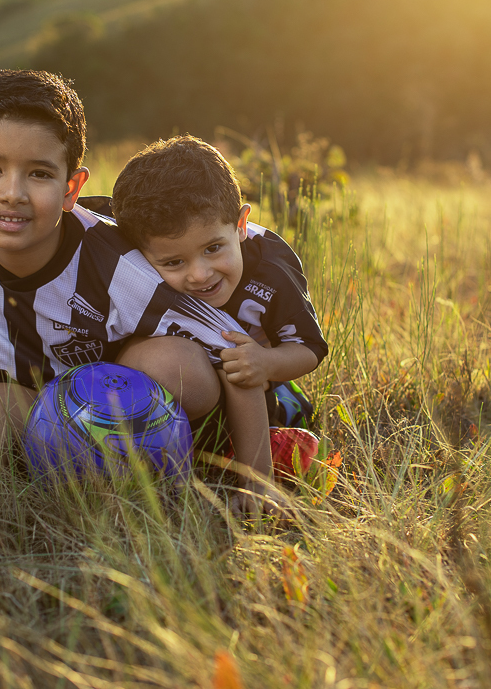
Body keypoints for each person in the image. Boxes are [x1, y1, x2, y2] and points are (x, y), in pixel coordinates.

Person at [0, 71, 266, 510]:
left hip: (124, 396)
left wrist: (256, 479)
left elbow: (236, 355)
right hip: (29, 395)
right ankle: (51, 472)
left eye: (39, 173)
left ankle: (180, 461)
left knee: (178, 366)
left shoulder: (117, 267)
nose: (12, 193)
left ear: (71, 188)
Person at [111, 135, 328, 490]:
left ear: (240, 224)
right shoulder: (131, 273)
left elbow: (309, 347)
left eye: (213, 248)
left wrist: (266, 363)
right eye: (174, 261)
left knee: (277, 413)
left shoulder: (273, 271)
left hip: (259, 388)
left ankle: (274, 425)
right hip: (191, 383)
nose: (199, 274)